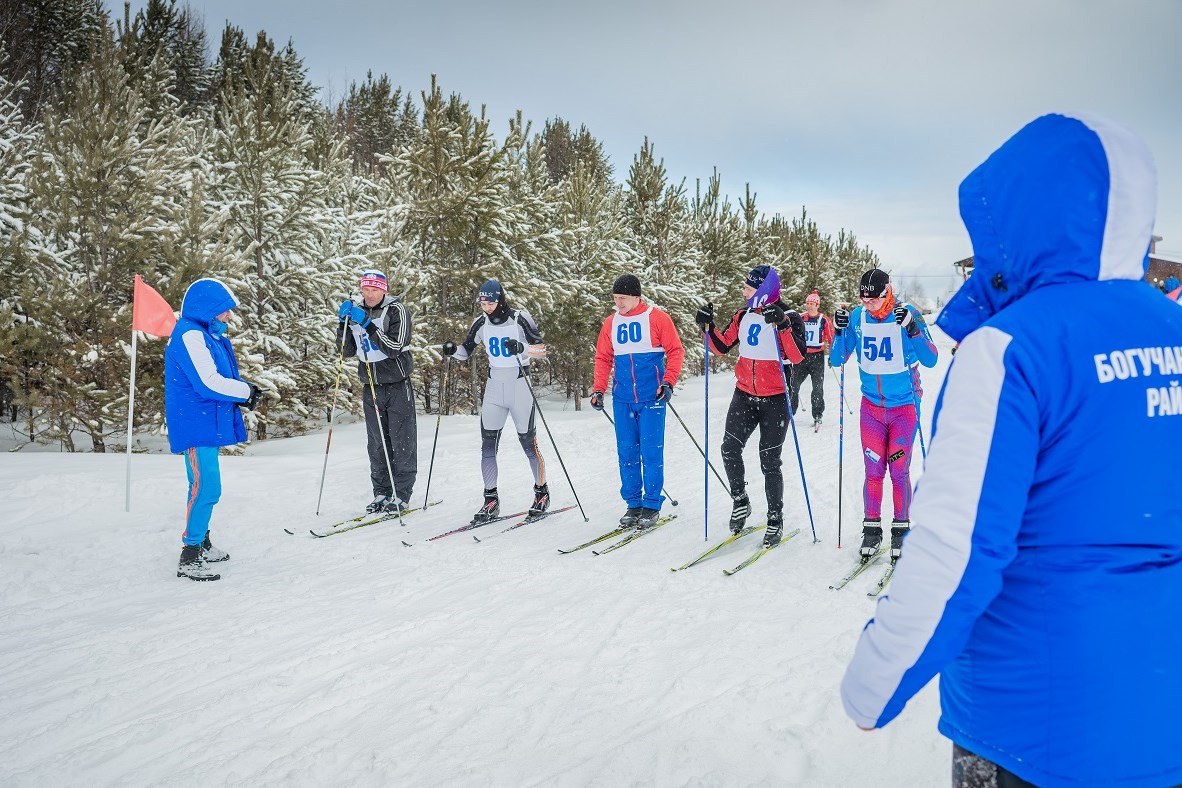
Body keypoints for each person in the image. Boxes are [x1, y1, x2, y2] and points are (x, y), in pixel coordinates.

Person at [840, 113, 1182, 787]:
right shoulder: (1171, 327)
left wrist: (875, 679)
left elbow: (957, 547)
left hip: (1035, 722)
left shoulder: (1012, 346)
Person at [829, 268, 937, 563]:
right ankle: (872, 530)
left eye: (874, 299)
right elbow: (836, 359)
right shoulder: (857, 316)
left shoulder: (907, 312)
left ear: (887, 291)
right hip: (872, 409)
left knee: (898, 470)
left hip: (904, 408)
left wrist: (912, 329)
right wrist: (839, 333)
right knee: (874, 470)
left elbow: (931, 359)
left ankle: (901, 530)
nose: (869, 304)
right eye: (863, 299)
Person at [695, 265, 806, 548]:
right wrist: (706, 327)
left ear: (765, 290)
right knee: (729, 448)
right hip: (744, 394)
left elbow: (796, 356)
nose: (744, 292)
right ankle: (740, 500)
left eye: (749, 288)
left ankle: (775, 517)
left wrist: (782, 325)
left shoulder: (791, 317)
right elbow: (721, 346)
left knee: (769, 460)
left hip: (776, 398)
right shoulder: (743, 316)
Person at [164, 278, 262, 581]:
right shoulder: (190, 335)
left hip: (202, 420)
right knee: (205, 487)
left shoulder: (205, 333)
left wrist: (241, 392)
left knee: (202, 486)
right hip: (195, 422)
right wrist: (244, 392)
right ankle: (190, 554)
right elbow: (207, 381)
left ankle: (202, 543)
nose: (229, 316)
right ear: (208, 309)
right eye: (224, 311)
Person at [441, 279, 550, 523]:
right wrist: (452, 350)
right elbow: (465, 351)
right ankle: (490, 499)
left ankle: (541, 493)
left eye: (490, 302)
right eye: (482, 302)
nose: (486, 307)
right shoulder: (480, 322)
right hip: (494, 387)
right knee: (488, 445)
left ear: (499, 300)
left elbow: (542, 350)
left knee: (528, 443)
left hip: (519, 384)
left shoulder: (520, 318)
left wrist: (522, 348)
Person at [591, 273, 684, 528]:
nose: (618, 303)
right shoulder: (611, 323)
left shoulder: (657, 318)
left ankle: (652, 504)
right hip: (622, 399)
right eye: (615, 298)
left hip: (650, 396)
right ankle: (633, 504)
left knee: (651, 452)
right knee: (627, 453)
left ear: (636, 297)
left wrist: (668, 382)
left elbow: (675, 351)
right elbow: (603, 358)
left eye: (622, 298)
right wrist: (598, 390)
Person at [337, 271, 417, 514]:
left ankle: (402, 494)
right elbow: (346, 351)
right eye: (365, 290)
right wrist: (342, 324)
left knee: (401, 440)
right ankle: (381, 492)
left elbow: (394, 347)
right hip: (370, 385)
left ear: (383, 289)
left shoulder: (396, 310)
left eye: (373, 289)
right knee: (377, 442)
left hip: (397, 383)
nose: (369, 294)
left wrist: (367, 324)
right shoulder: (359, 311)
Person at [788, 290, 834, 429]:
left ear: (817, 305)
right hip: (801, 356)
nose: (809, 306)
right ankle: (790, 412)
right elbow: (792, 335)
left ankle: (817, 414)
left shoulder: (823, 319)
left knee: (817, 388)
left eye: (812, 304)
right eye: (807, 303)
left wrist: (832, 355)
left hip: (817, 358)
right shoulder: (801, 317)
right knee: (793, 386)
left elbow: (831, 338)